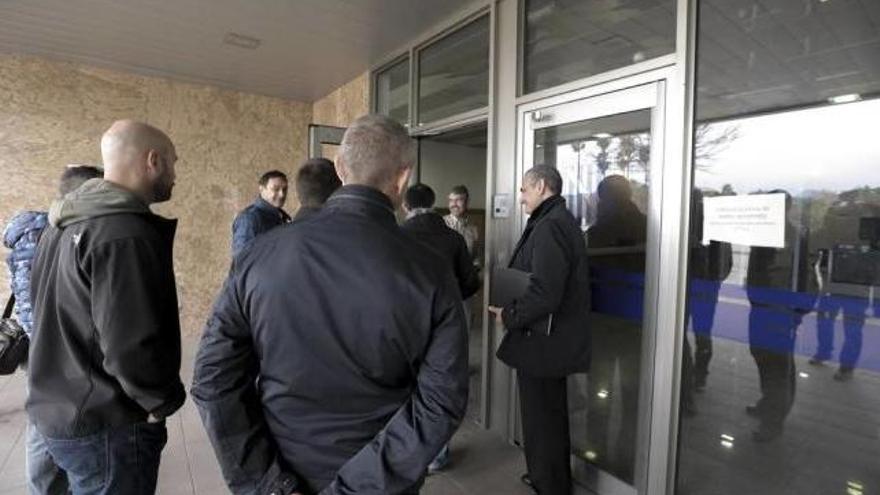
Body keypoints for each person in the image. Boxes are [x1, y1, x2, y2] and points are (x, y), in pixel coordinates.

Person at [192, 114, 469, 495]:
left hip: (280, 470)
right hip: (381, 482)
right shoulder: (432, 272)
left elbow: (212, 380)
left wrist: (265, 482)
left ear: (340, 167)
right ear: (403, 178)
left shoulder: (260, 254)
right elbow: (440, 403)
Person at [28, 120, 186, 494]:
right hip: (106, 424)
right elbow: (130, 342)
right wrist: (159, 402)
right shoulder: (126, 234)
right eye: (173, 162)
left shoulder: (60, 226)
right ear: (153, 161)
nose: (175, 173)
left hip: (57, 412)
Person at [489, 165, 591, 495]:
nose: (520, 197)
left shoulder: (551, 225)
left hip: (545, 343)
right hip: (547, 340)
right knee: (545, 414)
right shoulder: (557, 220)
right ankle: (548, 478)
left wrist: (510, 314)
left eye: (523, 190)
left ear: (541, 186)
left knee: (542, 418)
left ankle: (551, 485)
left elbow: (546, 292)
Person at [3, 164, 102, 495]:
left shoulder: (39, 231)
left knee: (45, 419)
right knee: (50, 422)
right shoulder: (55, 234)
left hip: (43, 344)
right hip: (53, 346)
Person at [401, 183, 480, 474]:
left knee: (409, 385)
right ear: (435, 204)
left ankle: (408, 449)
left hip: (407, 322)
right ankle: (438, 453)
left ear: (406, 207)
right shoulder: (453, 238)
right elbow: (470, 282)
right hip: (447, 321)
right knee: (441, 385)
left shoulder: (396, 236)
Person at [745, 191, 817, 442]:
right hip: (761, 308)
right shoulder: (762, 233)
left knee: (779, 364)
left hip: (781, 310)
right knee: (762, 356)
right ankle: (769, 402)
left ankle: (774, 421)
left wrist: (799, 310)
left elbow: (807, 275)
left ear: (786, 207)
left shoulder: (796, 236)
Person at [231, 169, 291, 254]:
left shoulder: (283, 217)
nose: (282, 194)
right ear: (262, 189)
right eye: (276, 189)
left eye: (284, 189)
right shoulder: (248, 219)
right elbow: (242, 260)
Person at [444, 184, 479, 257]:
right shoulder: (440, 224)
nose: (454, 204)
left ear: (467, 202)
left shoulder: (473, 228)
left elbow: (475, 255)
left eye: (458, 200)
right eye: (451, 200)